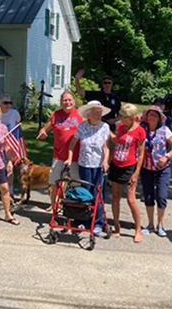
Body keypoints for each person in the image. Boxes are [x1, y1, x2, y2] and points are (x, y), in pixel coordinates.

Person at [66, 100, 111, 235]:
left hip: (98, 166)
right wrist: (69, 158)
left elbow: (106, 147)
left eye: (99, 112)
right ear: (89, 114)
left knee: (98, 193)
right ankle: (84, 220)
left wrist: (105, 161)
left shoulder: (104, 127)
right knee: (85, 194)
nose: (98, 115)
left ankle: (98, 222)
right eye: (95, 112)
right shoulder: (82, 126)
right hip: (84, 164)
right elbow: (72, 144)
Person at [140, 105, 172, 237]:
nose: (151, 117)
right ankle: (150, 224)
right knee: (148, 196)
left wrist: (167, 156)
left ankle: (160, 224)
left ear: (159, 118)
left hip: (162, 169)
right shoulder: (142, 129)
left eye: (154, 115)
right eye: (149, 115)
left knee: (161, 196)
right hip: (146, 168)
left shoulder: (165, 130)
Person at [37, 90, 83, 207]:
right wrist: (43, 132)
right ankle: (54, 210)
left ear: (74, 101)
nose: (67, 102)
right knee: (54, 184)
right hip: (59, 156)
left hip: (76, 157)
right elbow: (45, 128)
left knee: (76, 185)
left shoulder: (80, 115)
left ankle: (74, 212)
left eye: (70, 100)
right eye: (64, 100)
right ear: (61, 102)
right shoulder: (55, 115)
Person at [109, 103, 146, 243]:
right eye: (121, 116)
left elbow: (141, 154)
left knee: (131, 199)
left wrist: (136, 173)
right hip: (116, 164)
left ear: (132, 118)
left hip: (129, 166)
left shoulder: (140, 131)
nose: (121, 119)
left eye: (124, 117)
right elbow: (117, 142)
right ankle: (116, 226)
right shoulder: (120, 127)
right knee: (115, 196)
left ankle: (138, 229)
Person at [0, 93, 21, 202]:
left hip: (10, 145)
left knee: (9, 169)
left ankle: (10, 192)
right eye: (5, 102)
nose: (8, 105)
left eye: (10, 103)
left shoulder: (14, 113)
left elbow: (18, 126)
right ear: (0, 104)